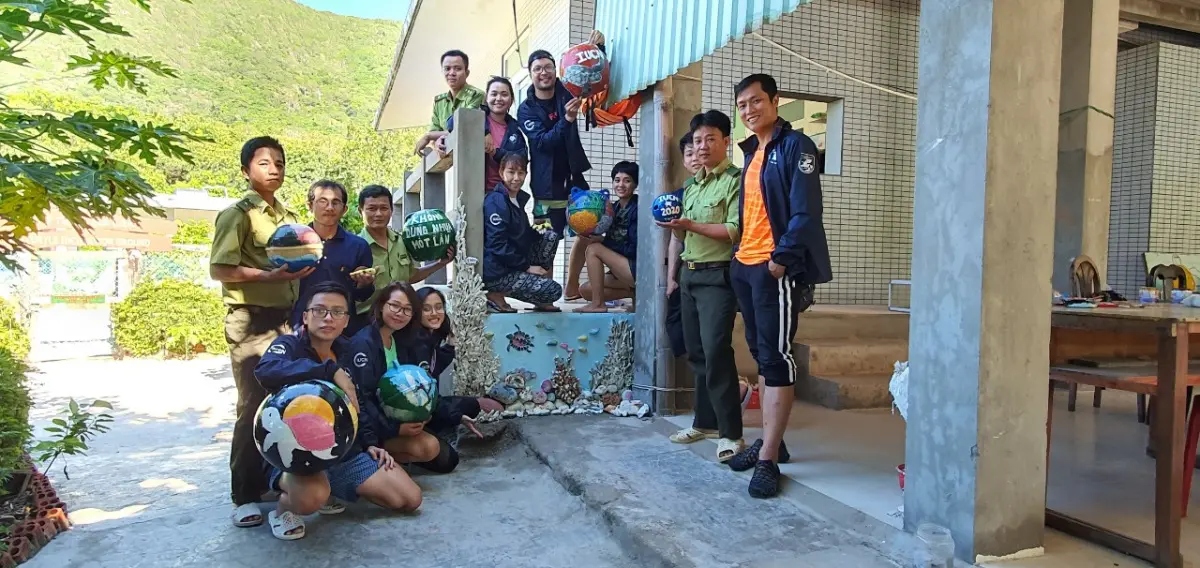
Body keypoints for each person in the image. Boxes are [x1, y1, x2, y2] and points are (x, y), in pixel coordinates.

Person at [727, 74, 831, 498]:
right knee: (759, 353)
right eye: (742, 105)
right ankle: (775, 441)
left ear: (775, 102)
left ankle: (767, 459)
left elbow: (806, 211)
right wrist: (742, 258)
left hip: (775, 269)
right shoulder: (752, 151)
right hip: (745, 265)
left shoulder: (796, 147)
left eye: (756, 102)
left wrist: (781, 259)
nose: (749, 110)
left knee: (776, 358)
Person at [254, 282, 422, 540]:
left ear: (346, 321)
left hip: (341, 449)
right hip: (295, 453)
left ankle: (332, 488)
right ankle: (282, 510)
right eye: (320, 310)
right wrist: (328, 371)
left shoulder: (349, 349)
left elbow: (359, 402)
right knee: (312, 497)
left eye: (337, 312)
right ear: (306, 316)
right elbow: (266, 370)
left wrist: (369, 443)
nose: (329, 318)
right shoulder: (289, 345)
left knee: (409, 499)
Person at [210, 136, 312, 529]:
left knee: (284, 403)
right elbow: (220, 268)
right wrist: (268, 276)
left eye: (281, 163)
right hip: (250, 319)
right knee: (251, 405)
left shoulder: (286, 218)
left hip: (285, 319)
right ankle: (244, 495)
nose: (274, 169)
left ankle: (272, 482)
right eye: (265, 162)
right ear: (246, 170)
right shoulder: (236, 214)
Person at [657, 111, 744, 463]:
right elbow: (681, 235)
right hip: (691, 276)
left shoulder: (735, 181)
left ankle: (731, 433)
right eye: (697, 141)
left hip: (718, 276)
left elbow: (733, 230)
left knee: (716, 351)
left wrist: (690, 222)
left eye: (710, 139)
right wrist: (675, 232)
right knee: (696, 353)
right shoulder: (692, 186)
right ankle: (704, 423)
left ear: (726, 141)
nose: (702, 146)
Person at [348, 282, 460, 474]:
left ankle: (395, 458)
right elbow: (362, 400)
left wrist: (423, 413)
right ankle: (367, 457)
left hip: (394, 418)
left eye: (407, 309)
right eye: (395, 306)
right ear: (381, 305)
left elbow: (418, 382)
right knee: (429, 448)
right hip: (370, 428)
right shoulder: (363, 343)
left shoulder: (401, 340)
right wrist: (393, 430)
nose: (400, 313)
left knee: (448, 460)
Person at [516, 30, 604, 235]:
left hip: (574, 178)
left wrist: (597, 48)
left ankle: (573, 270)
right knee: (545, 243)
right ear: (531, 74)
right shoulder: (526, 108)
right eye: (537, 69)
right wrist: (567, 120)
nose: (543, 72)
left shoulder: (567, 90)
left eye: (548, 67)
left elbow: (591, 76)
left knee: (588, 230)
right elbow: (542, 143)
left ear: (556, 70)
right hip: (544, 187)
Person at [354, 184, 454, 335]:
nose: (379, 214)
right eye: (372, 209)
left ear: (391, 211)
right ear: (360, 211)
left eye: (384, 208)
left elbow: (411, 276)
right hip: (366, 322)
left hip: (400, 321)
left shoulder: (402, 241)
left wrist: (440, 264)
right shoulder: (354, 247)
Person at [483, 153, 563, 312]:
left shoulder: (516, 200)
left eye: (521, 173)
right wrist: (527, 267)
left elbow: (523, 236)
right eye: (511, 172)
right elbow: (497, 244)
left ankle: (539, 300)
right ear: (501, 173)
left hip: (512, 266)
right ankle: (494, 293)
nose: (516, 177)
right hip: (496, 273)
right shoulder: (496, 201)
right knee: (553, 290)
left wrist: (541, 231)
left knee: (551, 236)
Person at [292, 180, 375, 334]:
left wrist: (364, 283)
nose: (329, 207)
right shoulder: (293, 243)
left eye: (335, 202)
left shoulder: (358, 246)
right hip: (301, 326)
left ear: (344, 209)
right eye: (322, 201)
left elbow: (361, 296)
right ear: (310, 206)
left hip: (343, 329)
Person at [414, 286, 484, 444]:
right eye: (426, 309)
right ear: (416, 312)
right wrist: (455, 416)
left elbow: (434, 368)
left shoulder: (431, 336)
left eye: (438, 307)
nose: (434, 313)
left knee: (471, 405)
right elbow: (424, 390)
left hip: (431, 401)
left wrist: (450, 347)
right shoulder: (417, 343)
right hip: (419, 408)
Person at [574, 161, 639, 313]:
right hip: (620, 270)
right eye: (617, 180)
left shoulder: (638, 208)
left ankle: (598, 305)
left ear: (635, 184)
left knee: (594, 249)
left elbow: (634, 249)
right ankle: (634, 293)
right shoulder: (613, 208)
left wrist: (603, 241)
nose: (621, 185)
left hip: (636, 268)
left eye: (627, 180)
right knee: (585, 290)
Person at [447, 76, 528, 192]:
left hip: (504, 194)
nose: (499, 98)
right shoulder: (476, 118)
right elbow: (451, 123)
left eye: (504, 94)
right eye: (494, 94)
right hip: (473, 192)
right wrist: (485, 131)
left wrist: (495, 152)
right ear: (486, 97)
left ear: (511, 99)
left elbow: (521, 159)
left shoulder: (516, 130)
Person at [665, 132, 702, 358]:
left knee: (710, 339)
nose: (695, 158)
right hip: (687, 270)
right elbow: (676, 239)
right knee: (679, 330)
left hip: (716, 271)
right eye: (689, 154)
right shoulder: (679, 195)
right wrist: (671, 278)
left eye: (699, 152)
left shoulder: (728, 184)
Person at [414, 50, 485, 156]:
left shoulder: (476, 95)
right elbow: (435, 132)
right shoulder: (439, 103)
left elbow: (463, 128)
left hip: (471, 156)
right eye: (447, 69)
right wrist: (436, 142)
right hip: (449, 162)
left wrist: (428, 136)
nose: (452, 73)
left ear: (467, 73)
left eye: (458, 68)